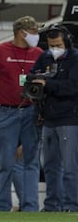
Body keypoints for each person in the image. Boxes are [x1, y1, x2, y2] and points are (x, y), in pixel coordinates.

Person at [0, 16, 43, 211]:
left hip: (32, 111)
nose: (36, 36)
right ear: (21, 32)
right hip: (7, 111)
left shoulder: (39, 53)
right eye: (33, 32)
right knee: (6, 162)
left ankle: (30, 207)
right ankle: (2, 205)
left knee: (31, 161)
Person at [29, 24, 78, 212]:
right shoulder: (44, 56)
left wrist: (47, 83)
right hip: (49, 118)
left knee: (70, 167)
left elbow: (73, 87)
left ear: (67, 42)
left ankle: (72, 205)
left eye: (58, 45)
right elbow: (30, 76)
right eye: (51, 45)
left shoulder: (76, 59)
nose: (54, 49)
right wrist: (33, 79)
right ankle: (52, 205)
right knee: (50, 166)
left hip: (70, 119)